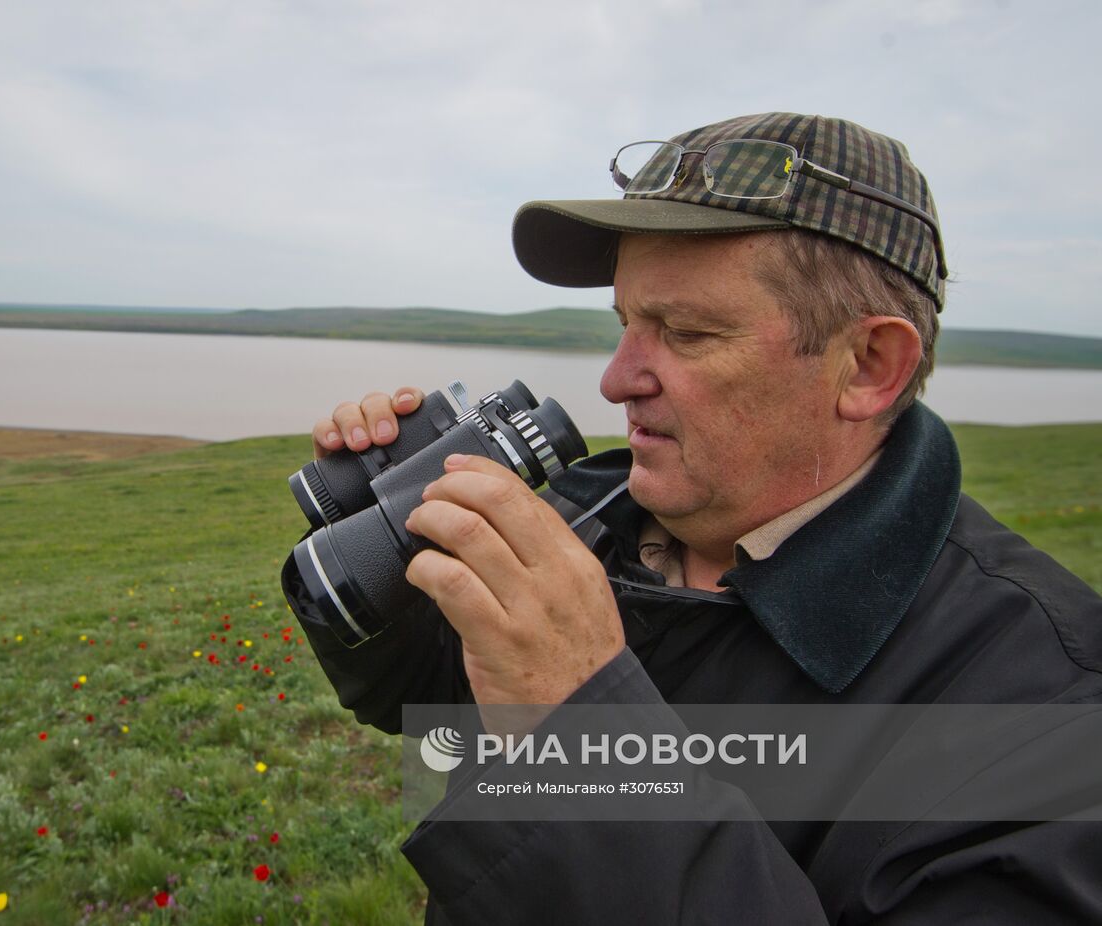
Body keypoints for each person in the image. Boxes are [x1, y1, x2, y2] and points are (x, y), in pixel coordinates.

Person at [284, 113, 1102, 923]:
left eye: (686, 331)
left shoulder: (1051, 720)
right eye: (627, 324)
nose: (614, 379)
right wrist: (370, 554)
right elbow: (428, 711)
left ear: (868, 367)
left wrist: (580, 735)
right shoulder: (587, 512)